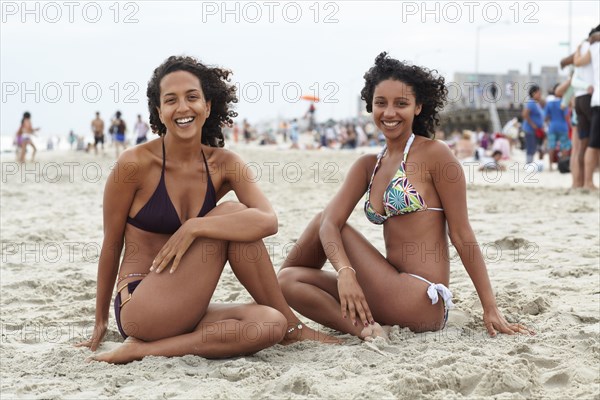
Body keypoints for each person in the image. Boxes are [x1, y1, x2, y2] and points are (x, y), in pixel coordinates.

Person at [76, 55, 334, 364]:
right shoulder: (134, 164)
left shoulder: (224, 164)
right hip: (141, 304)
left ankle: (144, 350)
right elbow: (111, 243)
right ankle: (295, 327)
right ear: (159, 111)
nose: (183, 107)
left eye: (192, 97)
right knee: (233, 212)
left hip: (185, 304)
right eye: (171, 100)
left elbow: (268, 220)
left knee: (269, 323)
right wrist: (100, 322)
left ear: (208, 106)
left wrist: (194, 226)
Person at [277, 52, 534, 340]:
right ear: (370, 106)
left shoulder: (436, 155)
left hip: (419, 299)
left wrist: (491, 307)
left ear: (418, 107)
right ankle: (365, 329)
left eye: (401, 104)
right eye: (380, 103)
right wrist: (345, 273)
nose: (389, 113)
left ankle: (358, 329)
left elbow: (462, 234)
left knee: (323, 220)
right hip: (386, 290)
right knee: (288, 279)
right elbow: (327, 225)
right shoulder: (368, 166)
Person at [544, 84, 570, 171]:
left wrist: (550, 122)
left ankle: (551, 166)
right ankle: (563, 165)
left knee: (551, 146)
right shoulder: (563, 102)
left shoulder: (549, 103)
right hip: (562, 126)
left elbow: (545, 117)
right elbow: (566, 116)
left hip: (552, 126)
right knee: (564, 146)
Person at [521, 85, 545, 164]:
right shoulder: (531, 102)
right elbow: (525, 114)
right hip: (530, 129)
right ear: (533, 93)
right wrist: (532, 124)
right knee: (531, 146)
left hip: (535, 130)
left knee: (534, 146)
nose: (540, 94)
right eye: (539, 93)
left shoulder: (536, 103)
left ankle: (531, 162)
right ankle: (529, 163)